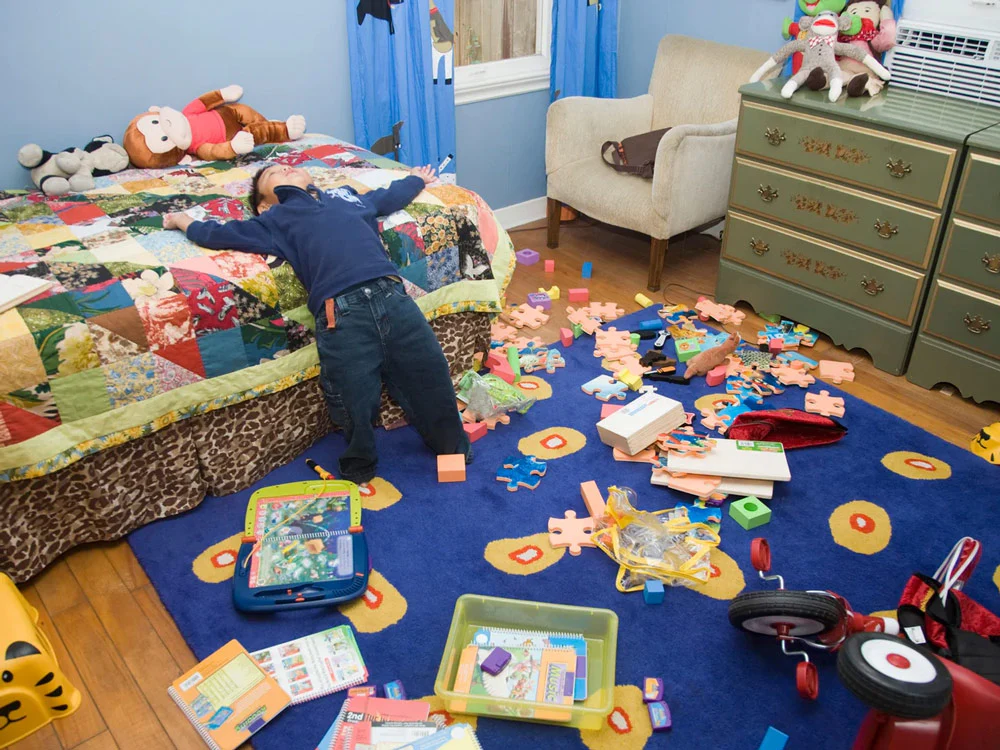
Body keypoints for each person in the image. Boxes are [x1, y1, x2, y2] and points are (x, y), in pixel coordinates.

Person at [163, 163, 470, 484]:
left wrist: (416, 179)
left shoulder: (346, 196)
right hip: (341, 311)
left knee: (429, 370)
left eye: (287, 166)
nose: (284, 168)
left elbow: (388, 197)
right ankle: (360, 466)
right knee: (353, 395)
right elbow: (217, 234)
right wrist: (183, 221)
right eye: (273, 174)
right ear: (265, 204)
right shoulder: (273, 220)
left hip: (392, 295)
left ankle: (452, 446)